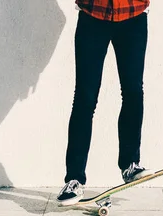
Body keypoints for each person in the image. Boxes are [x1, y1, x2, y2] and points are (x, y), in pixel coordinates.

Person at [57, 0, 152, 205]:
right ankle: (74, 179)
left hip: (133, 16)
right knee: (85, 97)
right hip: (93, 17)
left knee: (133, 91)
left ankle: (130, 164)